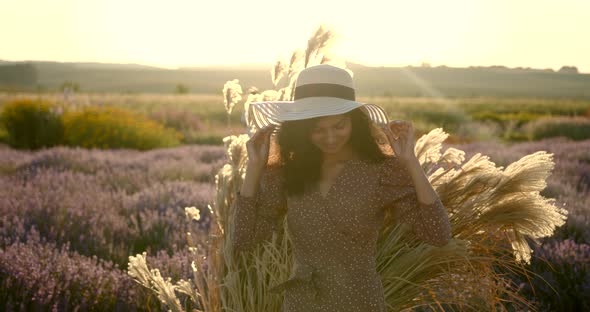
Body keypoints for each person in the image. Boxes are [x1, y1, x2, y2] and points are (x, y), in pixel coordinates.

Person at [232, 64, 452, 312]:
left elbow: (438, 235)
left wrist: (410, 162)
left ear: (354, 123)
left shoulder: (382, 171)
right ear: (303, 130)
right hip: (301, 304)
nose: (330, 137)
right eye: (318, 129)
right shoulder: (288, 173)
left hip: (360, 302)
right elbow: (243, 241)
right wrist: (254, 168)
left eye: (339, 126)